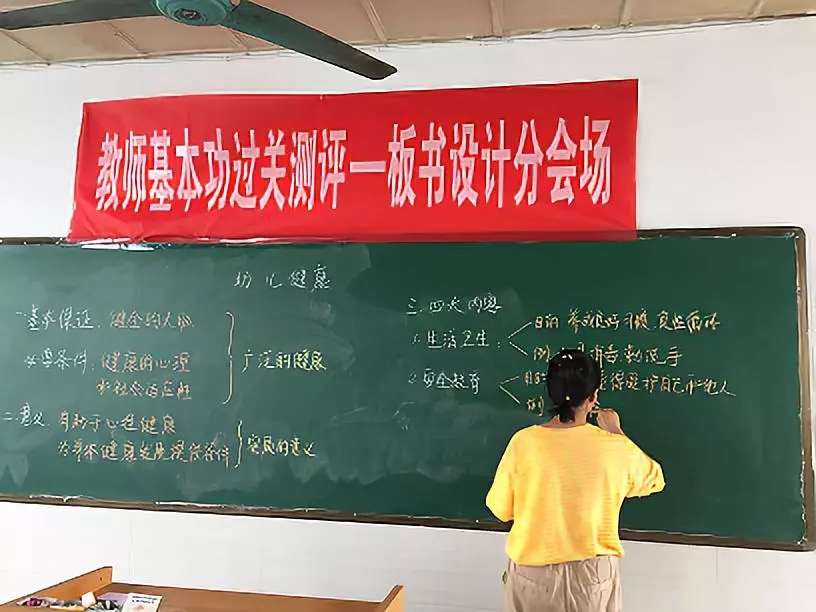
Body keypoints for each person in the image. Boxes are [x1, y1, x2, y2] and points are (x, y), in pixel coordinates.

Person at [486, 348, 665, 612]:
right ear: (593, 397)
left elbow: (500, 509)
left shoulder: (524, 443)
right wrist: (617, 432)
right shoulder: (614, 447)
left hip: (533, 573)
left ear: (551, 393)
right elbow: (655, 479)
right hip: (593, 574)